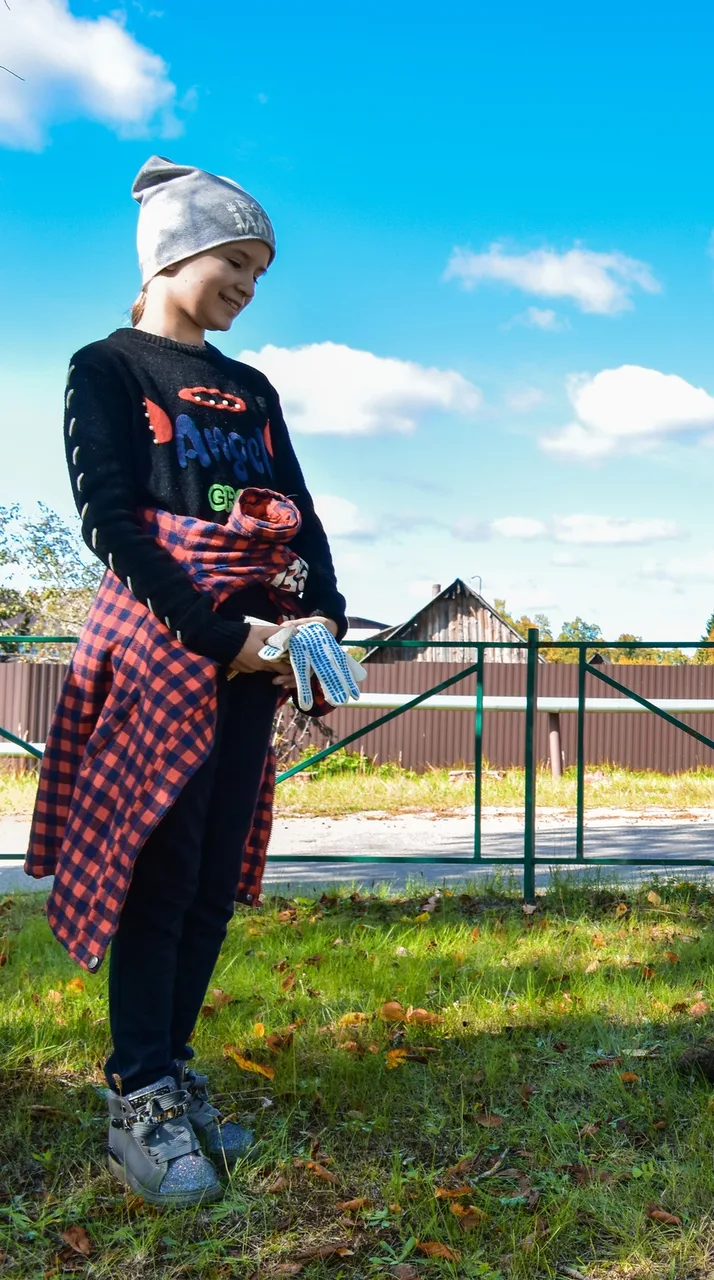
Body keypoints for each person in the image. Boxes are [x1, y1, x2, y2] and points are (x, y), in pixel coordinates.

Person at [26, 157, 347, 1205]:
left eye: (260, 269)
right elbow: (110, 522)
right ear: (171, 252)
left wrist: (320, 621)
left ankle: (172, 1069)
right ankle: (137, 1093)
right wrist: (217, 632)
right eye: (236, 260)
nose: (249, 284)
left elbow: (297, 510)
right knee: (159, 873)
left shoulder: (254, 390)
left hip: (256, 650)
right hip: (170, 641)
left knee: (214, 876)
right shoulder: (106, 368)